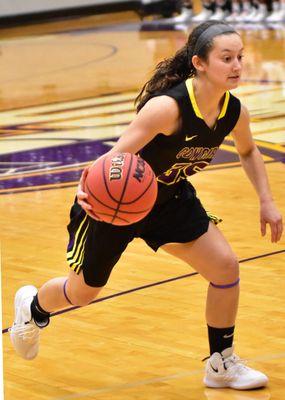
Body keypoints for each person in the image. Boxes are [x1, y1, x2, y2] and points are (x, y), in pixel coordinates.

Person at [10, 21, 283, 390]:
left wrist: (266, 201)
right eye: (226, 58)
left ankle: (221, 363)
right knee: (82, 293)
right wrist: (86, 187)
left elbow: (249, 151)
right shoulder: (167, 108)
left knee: (224, 267)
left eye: (239, 57)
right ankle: (33, 309)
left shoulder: (234, 111)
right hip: (115, 203)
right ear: (200, 63)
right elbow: (114, 158)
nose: (236, 66)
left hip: (168, 198)